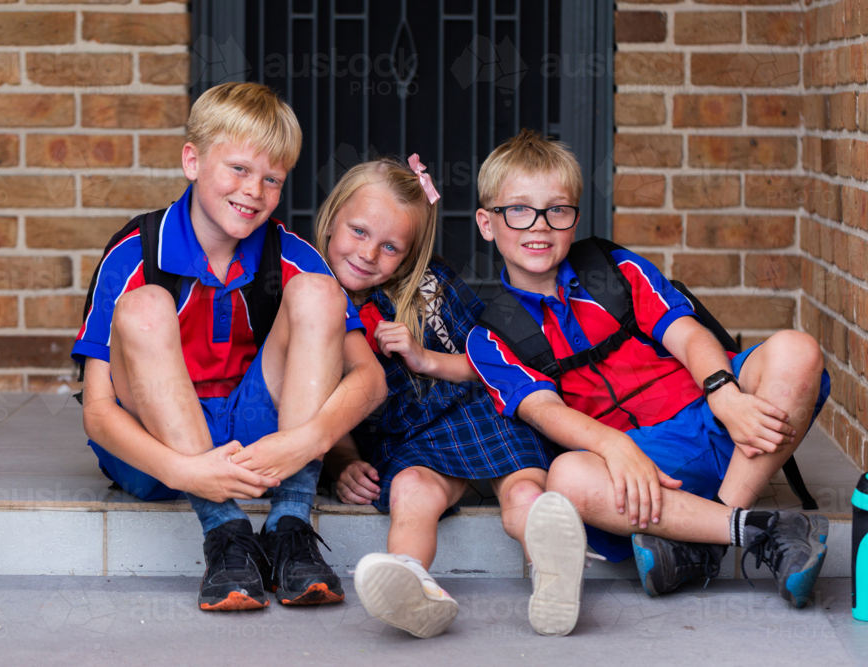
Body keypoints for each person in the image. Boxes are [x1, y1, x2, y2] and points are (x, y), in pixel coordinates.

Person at [466, 130, 832, 620]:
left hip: (719, 424)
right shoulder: (489, 336)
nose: (540, 226)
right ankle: (754, 528)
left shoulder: (614, 269)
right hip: (645, 469)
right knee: (567, 477)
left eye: (557, 209)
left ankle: (701, 542)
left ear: (574, 218)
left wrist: (723, 394)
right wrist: (617, 447)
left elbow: (687, 334)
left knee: (797, 350)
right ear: (487, 224)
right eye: (518, 210)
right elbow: (546, 411)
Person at [72, 82, 387, 611]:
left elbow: (370, 380)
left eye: (271, 179)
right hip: (157, 450)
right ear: (192, 160)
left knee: (317, 292)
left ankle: (290, 526)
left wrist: (307, 441)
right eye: (238, 169)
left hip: (258, 445)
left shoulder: (292, 254)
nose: (254, 191)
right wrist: (181, 470)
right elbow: (99, 413)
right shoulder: (135, 252)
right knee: (145, 306)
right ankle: (227, 535)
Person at [317, 156, 584, 637]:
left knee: (525, 492)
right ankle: (413, 589)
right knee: (411, 492)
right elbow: (321, 401)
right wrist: (342, 460)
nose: (369, 254)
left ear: (411, 251)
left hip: (477, 409)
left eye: (391, 246)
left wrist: (423, 356)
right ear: (332, 217)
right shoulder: (311, 298)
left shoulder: (430, 287)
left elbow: (489, 360)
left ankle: (554, 580)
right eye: (358, 232)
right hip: (408, 436)